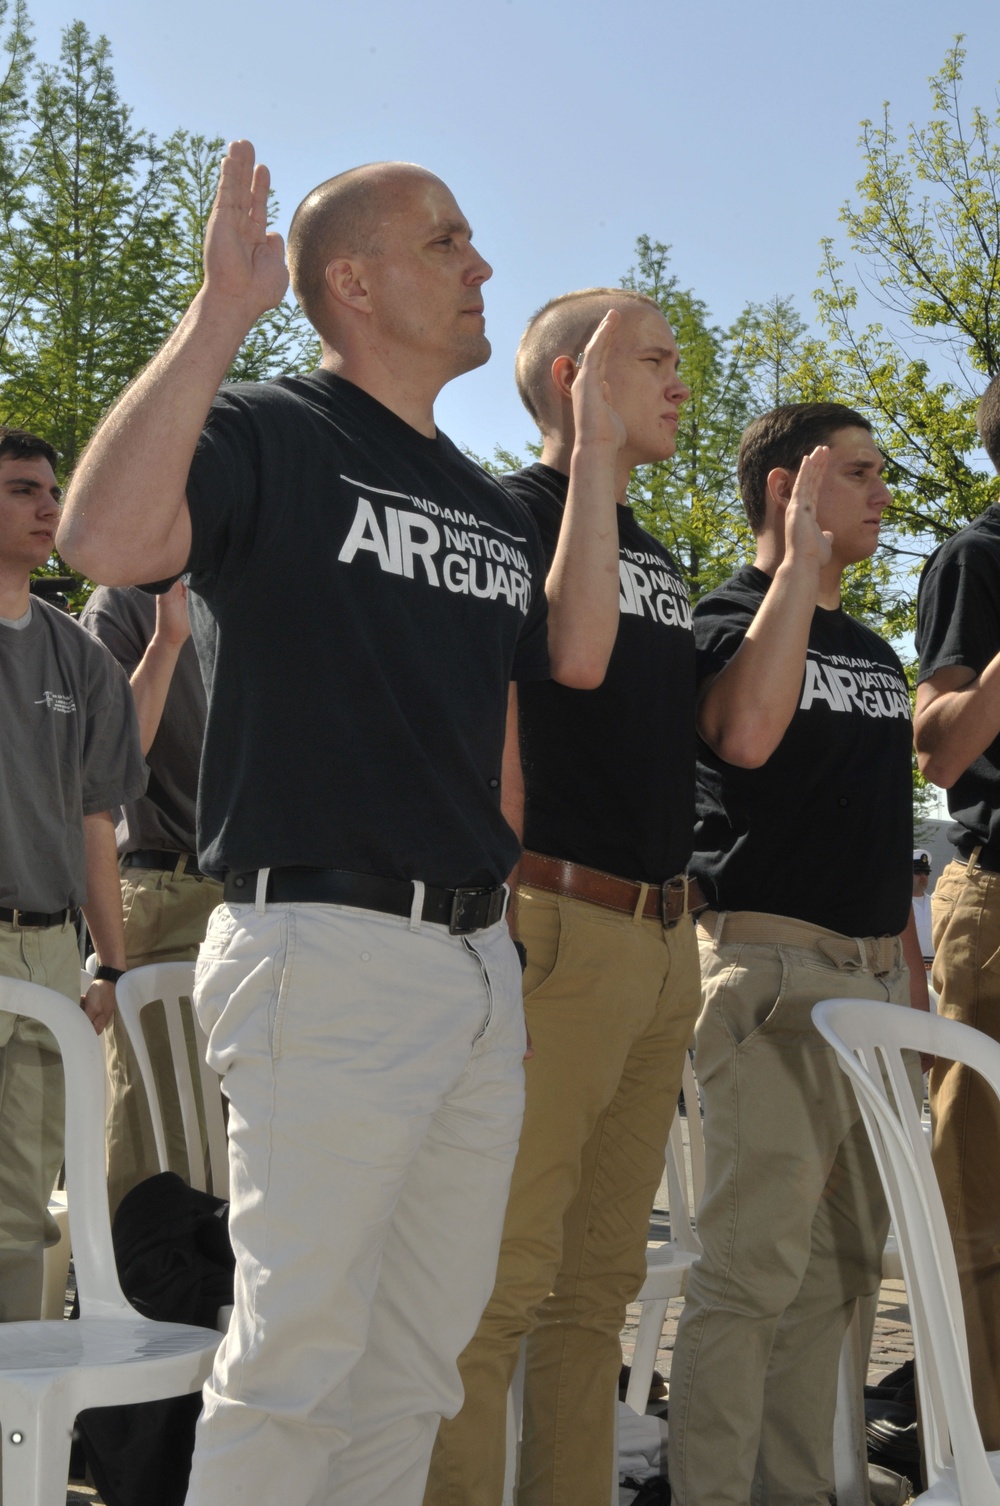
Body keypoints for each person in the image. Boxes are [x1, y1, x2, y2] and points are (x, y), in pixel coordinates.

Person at [57, 142, 553, 1506]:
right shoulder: (273, 426)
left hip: (470, 964)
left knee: (414, 1362)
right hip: (325, 947)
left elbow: (499, 731)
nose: (482, 265)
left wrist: (498, 940)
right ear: (353, 280)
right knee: (298, 1355)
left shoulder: (484, 502)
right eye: (445, 240)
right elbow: (103, 539)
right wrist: (220, 313)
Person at [426, 288, 702, 1506]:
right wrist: (500, 933)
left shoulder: (658, 557)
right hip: (550, 926)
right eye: (652, 359)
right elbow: (499, 722)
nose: (679, 381)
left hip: (659, 941)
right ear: (567, 379)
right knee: (495, 1285)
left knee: (597, 1293)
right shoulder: (502, 516)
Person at [667, 403, 928, 1506]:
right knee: (747, 1273)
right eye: (859, 472)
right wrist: (796, 576)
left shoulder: (872, 651)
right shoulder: (719, 620)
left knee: (843, 1269)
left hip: (872, 981)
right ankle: (711, 1493)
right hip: (770, 978)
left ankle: (799, 1488)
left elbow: (880, 845)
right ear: (790, 485)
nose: (883, 492)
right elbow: (743, 738)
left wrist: (909, 999)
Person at [0, 425, 145, 1323]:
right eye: (21, 489)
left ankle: (14, 1425)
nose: (48, 505)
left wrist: (111, 964)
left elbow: (99, 820)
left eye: (52, 490)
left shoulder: (82, 659)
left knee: (22, 1216)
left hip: (53, 956)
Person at [913, 370, 1000, 1450]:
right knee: (979, 1203)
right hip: (996, 898)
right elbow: (939, 749)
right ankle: (972, 1446)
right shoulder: (976, 558)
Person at [79, 580, 223, 1212]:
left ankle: (214, 1302)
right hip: (161, 891)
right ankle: (140, 1300)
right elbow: (107, 759)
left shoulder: (254, 595)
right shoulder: (124, 602)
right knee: (153, 1139)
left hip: (258, 902)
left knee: (232, 1140)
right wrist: (167, 641)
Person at [911, 848, 934, 964]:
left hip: (934, 970)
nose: (923, 877)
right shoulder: (898, 906)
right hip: (909, 969)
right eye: (918, 872)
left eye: (926, 873)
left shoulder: (936, 903)